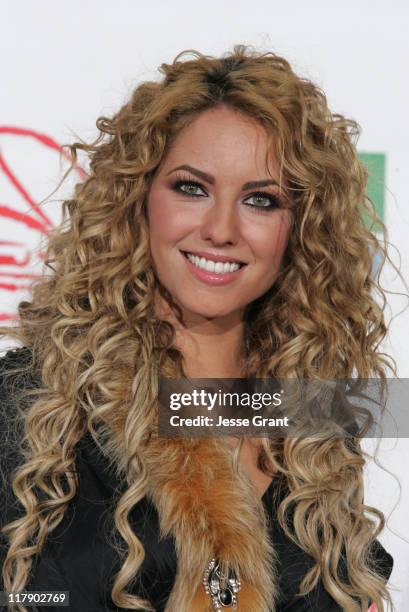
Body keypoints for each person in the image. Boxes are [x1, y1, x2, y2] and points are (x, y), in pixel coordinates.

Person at [0, 46, 395, 612]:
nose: (220, 230)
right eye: (192, 187)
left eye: (261, 200)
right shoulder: (33, 402)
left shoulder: (310, 418)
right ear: (139, 198)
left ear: (300, 231)